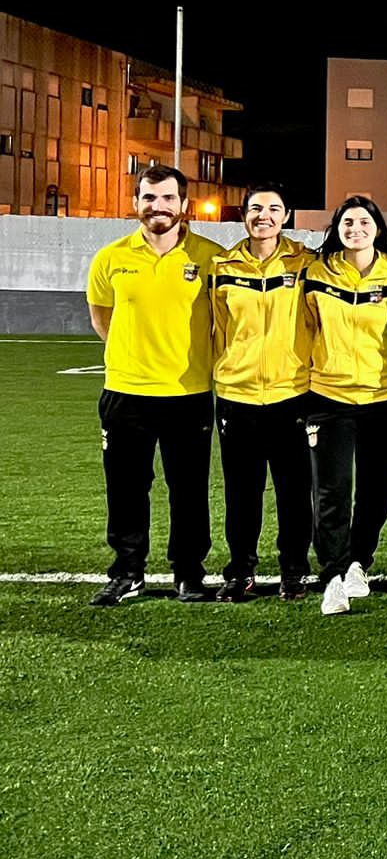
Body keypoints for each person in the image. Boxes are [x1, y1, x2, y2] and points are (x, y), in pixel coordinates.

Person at [86, 165, 224, 605]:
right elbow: (101, 318)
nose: (157, 207)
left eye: (167, 198)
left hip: (188, 394)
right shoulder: (111, 257)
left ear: (184, 205)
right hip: (126, 393)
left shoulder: (211, 256)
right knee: (126, 490)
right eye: (149, 198)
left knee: (188, 490)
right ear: (136, 204)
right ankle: (128, 571)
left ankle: (188, 573)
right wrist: (135, 358)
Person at [304, 195, 387, 616]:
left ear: (378, 228)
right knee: (330, 491)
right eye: (348, 222)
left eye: (364, 221)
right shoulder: (315, 272)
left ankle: (357, 563)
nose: (356, 229)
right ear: (337, 228)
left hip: (383, 397)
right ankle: (332, 574)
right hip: (327, 396)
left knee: (376, 490)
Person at [208, 180, 315, 602]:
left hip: (294, 394)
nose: (263, 216)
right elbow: (216, 327)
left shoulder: (306, 264)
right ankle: (240, 571)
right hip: (237, 395)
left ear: (286, 216)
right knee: (242, 491)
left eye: (273, 208)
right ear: (243, 214)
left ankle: (294, 569)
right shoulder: (223, 266)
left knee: (294, 490)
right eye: (255, 208)